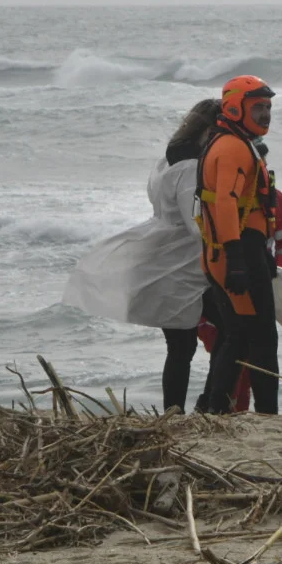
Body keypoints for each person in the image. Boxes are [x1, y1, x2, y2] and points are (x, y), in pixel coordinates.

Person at [61, 99, 220, 413]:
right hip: (184, 264)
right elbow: (195, 224)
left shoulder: (167, 160)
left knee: (180, 346)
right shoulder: (190, 166)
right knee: (225, 332)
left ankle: (175, 412)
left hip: (164, 256)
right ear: (208, 130)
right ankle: (203, 404)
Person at [197, 136, 282, 412]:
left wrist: (280, 271)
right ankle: (224, 409)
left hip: (250, 275)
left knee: (242, 342)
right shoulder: (224, 197)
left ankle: (227, 411)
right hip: (224, 279)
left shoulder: (271, 198)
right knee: (239, 344)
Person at [195, 75, 280, 415]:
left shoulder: (234, 142)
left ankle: (215, 409)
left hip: (237, 251)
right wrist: (239, 259)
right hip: (236, 253)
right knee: (260, 339)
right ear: (234, 107)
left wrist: (260, 251)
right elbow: (226, 204)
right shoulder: (231, 148)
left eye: (268, 108)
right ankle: (267, 416)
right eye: (257, 107)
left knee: (239, 336)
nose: (266, 114)